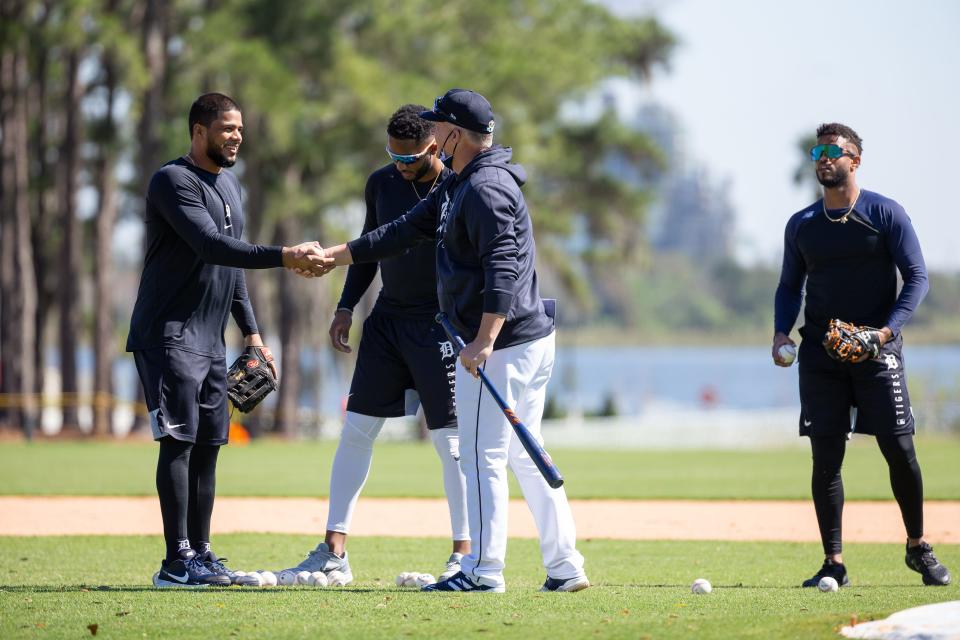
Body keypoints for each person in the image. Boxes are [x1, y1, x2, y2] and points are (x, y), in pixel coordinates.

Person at [312, 89, 589, 593]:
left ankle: (482, 572)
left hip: (505, 345)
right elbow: (398, 232)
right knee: (525, 455)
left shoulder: (484, 190)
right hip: (521, 340)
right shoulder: (462, 184)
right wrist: (335, 256)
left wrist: (484, 338)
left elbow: (503, 266)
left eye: (438, 126)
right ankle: (566, 566)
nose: (432, 132)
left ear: (455, 135)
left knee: (482, 456)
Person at [126, 92, 328, 587]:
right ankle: (176, 560)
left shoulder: (231, 186)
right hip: (168, 333)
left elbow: (231, 264)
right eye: (227, 128)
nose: (237, 135)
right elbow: (209, 245)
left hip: (211, 341)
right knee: (178, 442)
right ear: (199, 131)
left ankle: (203, 553)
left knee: (210, 445)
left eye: (240, 128)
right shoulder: (173, 181)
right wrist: (285, 254)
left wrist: (254, 335)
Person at [277, 105, 468, 584]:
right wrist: (346, 307)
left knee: (451, 444)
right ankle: (334, 553)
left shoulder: (456, 187)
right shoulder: (381, 183)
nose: (401, 165)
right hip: (386, 322)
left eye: (410, 158)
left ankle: (464, 555)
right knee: (356, 431)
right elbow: (369, 245)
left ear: (433, 147)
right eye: (393, 155)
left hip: (438, 326)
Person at [773, 122, 951, 588]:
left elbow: (917, 278)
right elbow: (791, 285)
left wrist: (885, 332)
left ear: (855, 159)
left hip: (877, 352)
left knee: (900, 449)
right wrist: (779, 334)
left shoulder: (885, 214)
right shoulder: (803, 225)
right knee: (826, 458)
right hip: (820, 355)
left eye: (834, 150)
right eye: (818, 151)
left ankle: (918, 547)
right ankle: (834, 562)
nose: (824, 157)